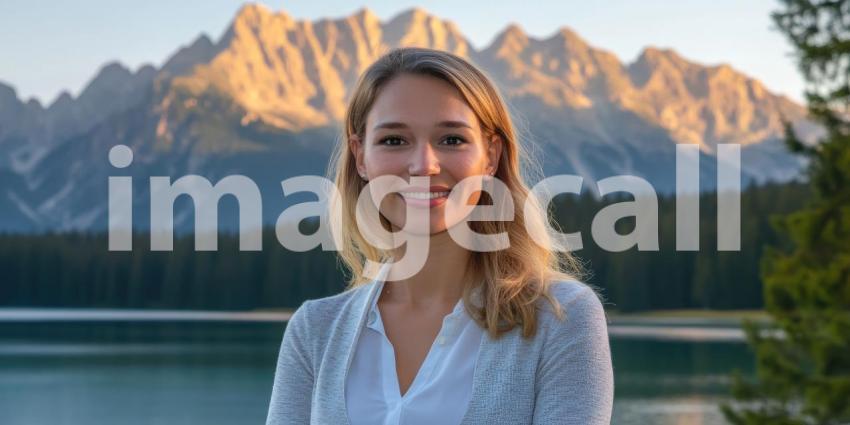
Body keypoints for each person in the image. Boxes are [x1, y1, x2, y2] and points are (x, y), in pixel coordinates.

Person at [266, 47, 614, 425]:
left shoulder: (560, 316)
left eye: (451, 139)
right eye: (394, 140)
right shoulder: (315, 330)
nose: (423, 166)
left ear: (491, 156)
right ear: (360, 156)